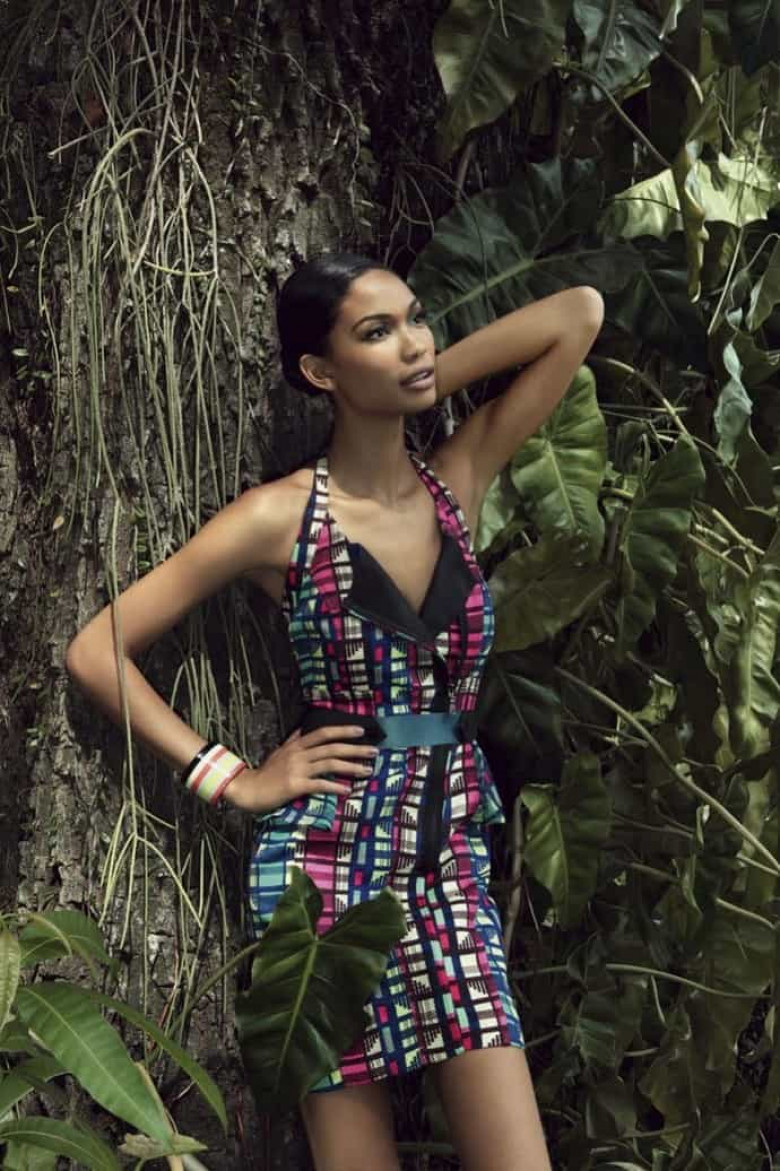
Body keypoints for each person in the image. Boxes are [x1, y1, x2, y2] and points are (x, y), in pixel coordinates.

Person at [66, 252, 604, 1171]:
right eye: (376, 332)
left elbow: (577, 314)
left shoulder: (458, 479)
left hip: (448, 856)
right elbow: (95, 650)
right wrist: (233, 777)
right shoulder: (279, 518)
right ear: (319, 371)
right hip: (324, 867)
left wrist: (413, 378)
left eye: (416, 319)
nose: (414, 342)